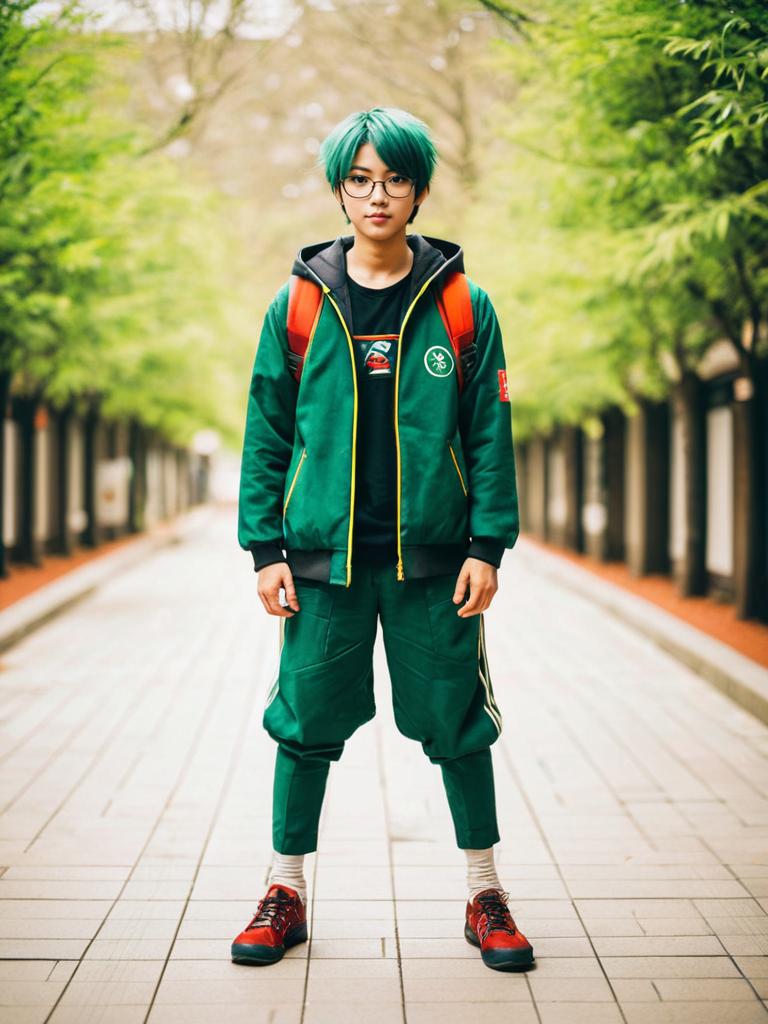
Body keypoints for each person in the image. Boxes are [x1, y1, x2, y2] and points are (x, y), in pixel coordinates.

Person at [231, 107, 534, 973]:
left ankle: (485, 893)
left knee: (459, 723)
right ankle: (284, 891)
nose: (377, 195)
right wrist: (265, 549)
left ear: (419, 190)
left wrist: (487, 546)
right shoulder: (297, 304)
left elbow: (488, 432)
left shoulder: (462, 303)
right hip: (322, 563)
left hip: (433, 563)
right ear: (339, 190)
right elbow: (267, 431)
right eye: (360, 179)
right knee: (302, 723)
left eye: (395, 179)